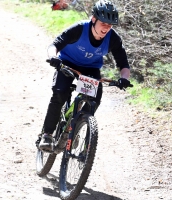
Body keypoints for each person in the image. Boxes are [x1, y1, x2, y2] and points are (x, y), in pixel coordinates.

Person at [39, 0, 131, 151]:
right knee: (60, 94)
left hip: (90, 69)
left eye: (110, 25)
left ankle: (74, 130)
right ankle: (47, 134)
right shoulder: (79, 29)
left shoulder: (113, 38)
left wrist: (124, 79)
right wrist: (53, 57)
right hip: (67, 64)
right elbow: (55, 45)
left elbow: (123, 63)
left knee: (94, 100)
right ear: (93, 19)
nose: (106, 28)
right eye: (103, 23)